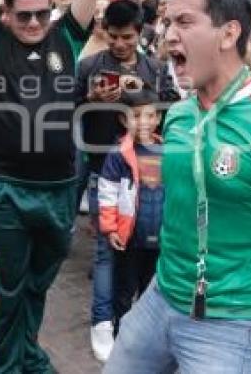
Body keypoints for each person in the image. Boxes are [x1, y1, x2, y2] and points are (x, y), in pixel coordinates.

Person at [105, 0, 251, 374]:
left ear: (229, 34)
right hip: (161, 297)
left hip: (232, 320)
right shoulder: (178, 115)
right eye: (166, 22)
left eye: (184, 23)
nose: (168, 35)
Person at [0, 0, 100, 373]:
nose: (34, 22)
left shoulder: (66, 36)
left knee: (38, 283)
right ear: (6, 14)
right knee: (7, 286)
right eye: (23, 15)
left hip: (59, 187)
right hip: (5, 187)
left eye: (42, 13)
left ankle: (28, 353)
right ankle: (3, 365)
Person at [75, 0, 176, 362]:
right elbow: (64, 106)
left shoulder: (155, 66)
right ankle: (102, 322)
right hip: (103, 165)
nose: (120, 45)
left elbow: (170, 104)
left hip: (147, 170)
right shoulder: (89, 66)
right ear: (104, 31)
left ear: (140, 33)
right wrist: (92, 97)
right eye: (114, 36)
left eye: (128, 38)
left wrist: (146, 96)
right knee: (105, 252)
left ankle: (142, 322)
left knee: (146, 248)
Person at [97, 88, 164, 333]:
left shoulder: (167, 150)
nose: (143, 122)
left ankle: (146, 338)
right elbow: (107, 192)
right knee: (124, 290)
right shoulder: (119, 154)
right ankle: (121, 333)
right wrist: (110, 227)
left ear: (157, 118)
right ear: (124, 120)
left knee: (152, 291)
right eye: (135, 116)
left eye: (149, 116)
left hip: (160, 238)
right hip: (130, 237)